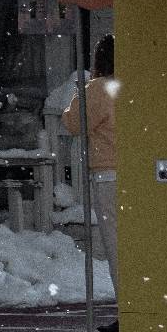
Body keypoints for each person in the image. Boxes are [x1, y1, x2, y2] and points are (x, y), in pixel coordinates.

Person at [61, 35, 118, 276]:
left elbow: (73, 123)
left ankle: (126, 305)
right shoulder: (140, 86)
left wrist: (79, 93)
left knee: (116, 244)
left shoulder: (98, 90)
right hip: (140, 171)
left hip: (109, 174)